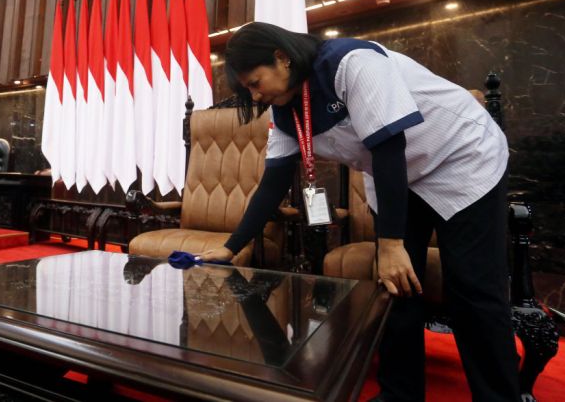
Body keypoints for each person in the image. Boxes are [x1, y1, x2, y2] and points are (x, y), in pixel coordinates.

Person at [199, 22, 519, 402]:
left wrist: (391, 244)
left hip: (460, 157)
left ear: (281, 58)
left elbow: (387, 147)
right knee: (395, 290)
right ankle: (399, 395)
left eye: (255, 82)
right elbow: (273, 183)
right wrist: (232, 246)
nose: (256, 94)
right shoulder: (285, 110)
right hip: (398, 178)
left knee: (473, 290)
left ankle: (499, 396)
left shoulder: (351, 62)